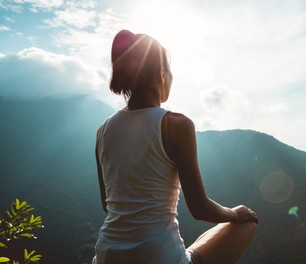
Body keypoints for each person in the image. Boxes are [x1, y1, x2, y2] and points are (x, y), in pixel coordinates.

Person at [91, 30, 258, 264]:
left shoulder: (103, 131)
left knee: (199, 243)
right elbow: (200, 209)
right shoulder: (175, 124)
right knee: (246, 223)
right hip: (159, 258)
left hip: (107, 256)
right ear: (160, 74)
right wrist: (234, 213)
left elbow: (107, 204)